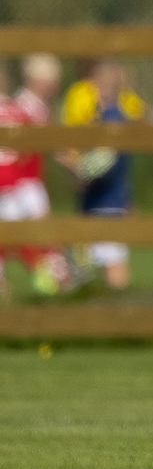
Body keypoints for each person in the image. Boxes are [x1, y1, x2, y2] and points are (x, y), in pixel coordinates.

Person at [60, 59, 144, 291]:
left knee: (113, 266)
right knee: (88, 266)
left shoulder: (111, 120)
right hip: (101, 201)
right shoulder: (110, 117)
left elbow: (106, 164)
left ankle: (121, 310)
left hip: (107, 204)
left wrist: (75, 167)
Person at [0, 55, 69, 296]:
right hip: (20, 185)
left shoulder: (20, 108)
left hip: (18, 184)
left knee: (20, 240)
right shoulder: (21, 109)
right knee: (31, 239)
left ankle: (56, 279)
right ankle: (57, 279)